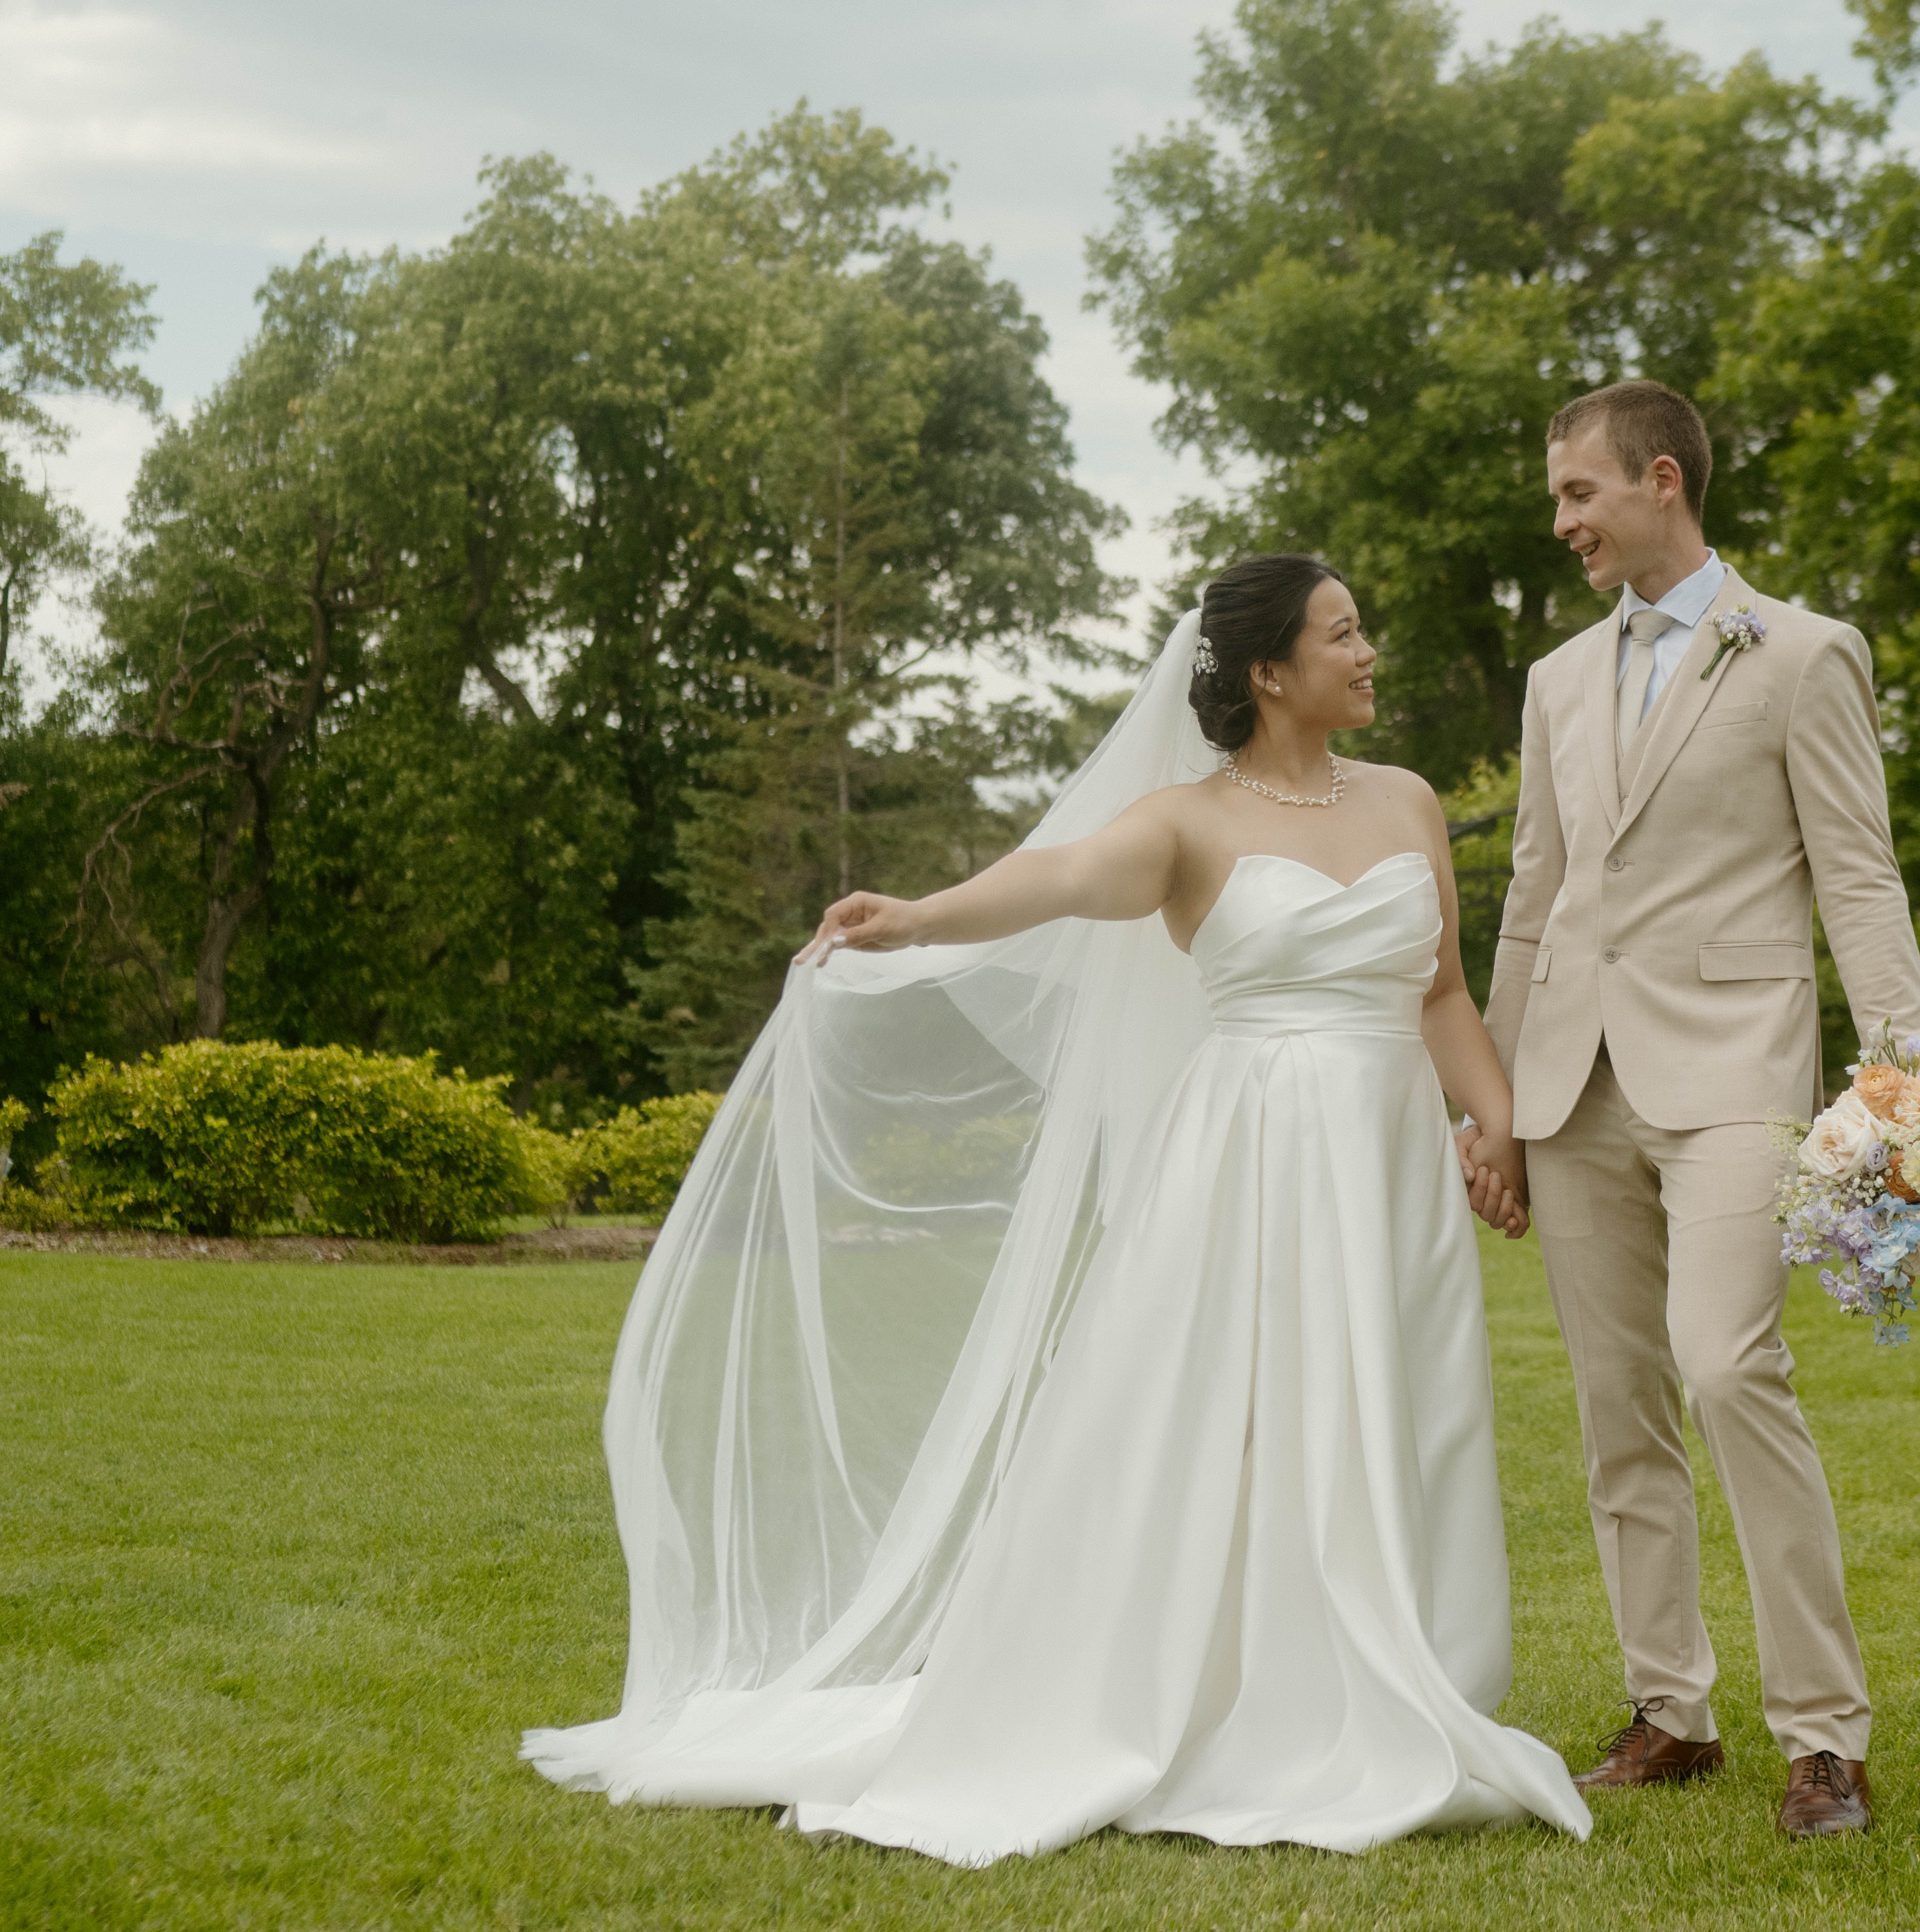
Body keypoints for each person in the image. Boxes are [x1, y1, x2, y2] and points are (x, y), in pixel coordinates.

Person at [521, 554, 1588, 1864]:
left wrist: (1495, 1123)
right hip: (1249, 1158)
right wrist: (914, 920)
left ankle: (1386, 1673)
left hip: (1387, 1163)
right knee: (1229, 1423)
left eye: (1361, 632)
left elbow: (1439, 996)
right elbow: (1061, 878)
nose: (1370, 655)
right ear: (1268, 671)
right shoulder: (1185, 822)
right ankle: (1216, 1695)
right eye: (1344, 634)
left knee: (1396, 1406)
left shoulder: (1411, 801)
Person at [1481, 379, 1920, 1840]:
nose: (1559, 522)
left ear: (1659, 479)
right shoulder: (1557, 681)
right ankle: (1669, 1711)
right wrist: (1491, 1103)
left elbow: (1857, 875)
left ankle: (1824, 1737)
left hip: (1738, 1067)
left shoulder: (1803, 655)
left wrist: (1903, 1085)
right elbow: (1530, 898)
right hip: (1571, 1087)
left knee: (1726, 1365)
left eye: (1577, 494)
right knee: (1619, 1407)